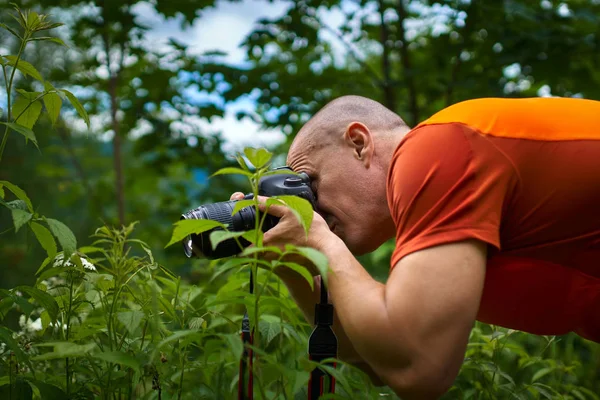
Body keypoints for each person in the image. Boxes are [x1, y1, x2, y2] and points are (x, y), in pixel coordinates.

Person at [230, 95, 600, 399]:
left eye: (308, 182)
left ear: (359, 143)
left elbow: (418, 366)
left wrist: (322, 241)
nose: (311, 207)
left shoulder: (437, 146)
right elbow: (379, 360)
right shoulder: (440, 230)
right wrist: (291, 262)